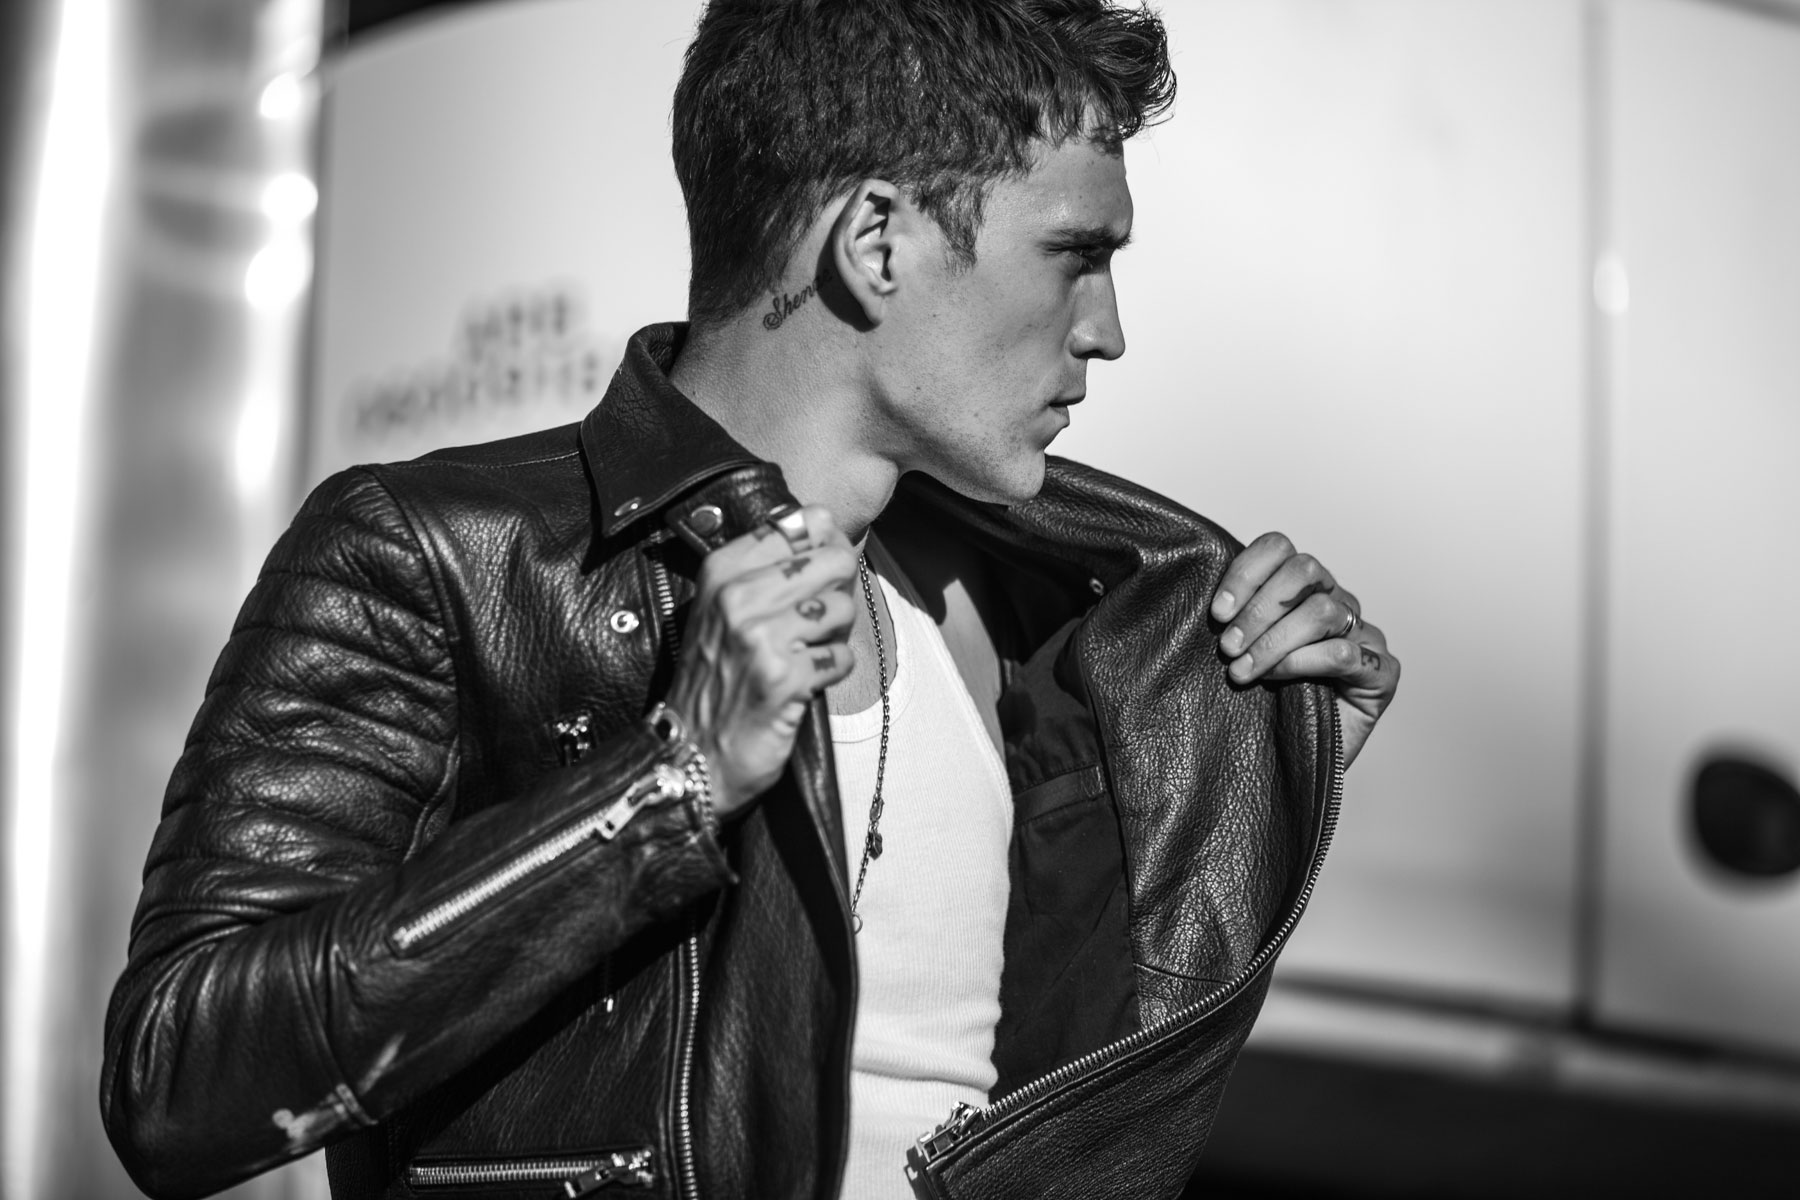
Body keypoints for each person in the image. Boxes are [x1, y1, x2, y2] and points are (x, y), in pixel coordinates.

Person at [103, 1, 1399, 1197]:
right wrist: (669, 786)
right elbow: (175, 1082)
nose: (1106, 329)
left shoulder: (1041, 619)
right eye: (1074, 254)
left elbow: (1059, 1123)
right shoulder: (443, 554)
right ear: (876, 242)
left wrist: (1258, 760)